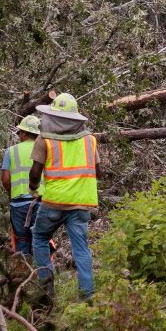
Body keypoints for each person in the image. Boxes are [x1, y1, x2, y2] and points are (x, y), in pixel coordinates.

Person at [28, 93, 100, 300]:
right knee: (81, 248)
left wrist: (33, 187)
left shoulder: (44, 140)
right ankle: (87, 295)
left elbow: (35, 173)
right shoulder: (90, 140)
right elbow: (98, 171)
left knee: (40, 237)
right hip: (80, 203)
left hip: (54, 202)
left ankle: (46, 289)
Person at [1, 114, 43, 256]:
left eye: (20, 133)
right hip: (41, 203)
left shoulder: (11, 151)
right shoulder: (45, 150)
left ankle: (24, 275)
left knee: (22, 242)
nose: (19, 135)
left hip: (19, 204)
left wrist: (12, 194)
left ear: (24, 133)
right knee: (41, 240)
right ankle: (44, 275)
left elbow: (6, 180)